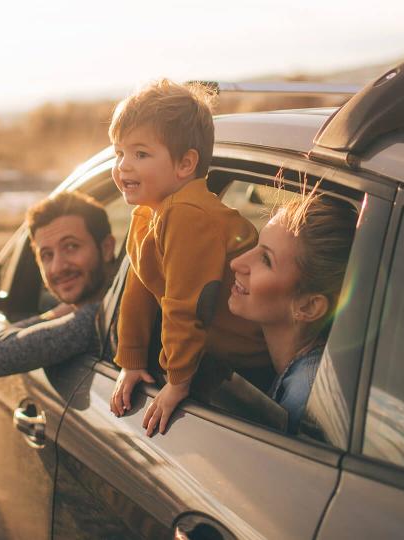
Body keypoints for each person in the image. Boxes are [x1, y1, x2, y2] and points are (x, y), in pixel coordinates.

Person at [107, 79, 268, 436]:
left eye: (140, 154)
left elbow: (186, 305)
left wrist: (177, 381)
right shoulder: (149, 213)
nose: (124, 167)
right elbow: (139, 291)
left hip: (250, 364)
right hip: (218, 357)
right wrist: (131, 361)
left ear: (185, 164)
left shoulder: (187, 214)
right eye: (119, 153)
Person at [227, 192, 357, 432]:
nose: (237, 263)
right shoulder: (309, 373)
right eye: (256, 246)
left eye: (266, 259)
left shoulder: (303, 399)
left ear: (308, 307)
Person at [0, 191, 116, 377]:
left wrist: (60, 313)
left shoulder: (103, 318)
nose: (58, 267)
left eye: (71, 246)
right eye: (47, 255)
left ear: (107, 248)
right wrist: (66, 310)